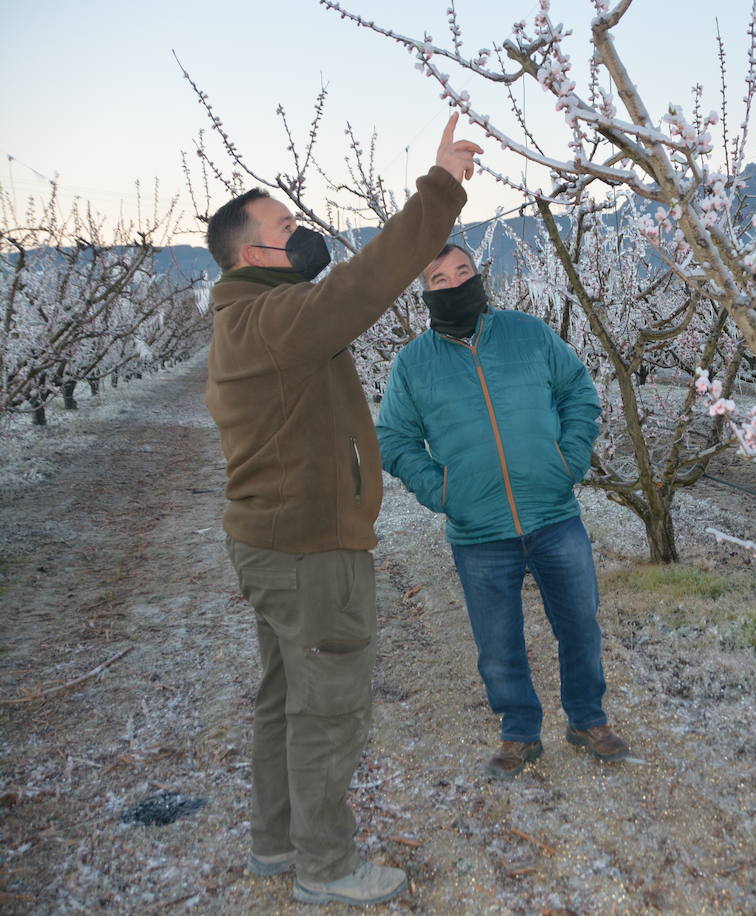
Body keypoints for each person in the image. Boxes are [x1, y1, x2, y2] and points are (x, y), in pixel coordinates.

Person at [204, 114, 480, 907]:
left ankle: (275, 843)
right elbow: (363, 283)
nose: (303, 234)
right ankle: (325, 866)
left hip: (272, 543)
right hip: (308, 550)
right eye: (287, 228)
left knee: (283, 699)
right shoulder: (274, 321)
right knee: (327, 709)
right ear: (254, 254)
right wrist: (441, 189)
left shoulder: (249, 321)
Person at [376, 243, 628, 780]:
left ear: (479, 276)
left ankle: (587, 719)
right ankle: (519, 732)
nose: (453, 283)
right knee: (497, 643)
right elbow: (393, 438)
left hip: (554, 513)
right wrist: (442, 491)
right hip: (478, 530)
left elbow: (577, 393)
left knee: (580, 625)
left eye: (462, 271)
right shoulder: (413, 363)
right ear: (425, 292)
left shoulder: (527, 333)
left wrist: (570, 457)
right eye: (438, 277)